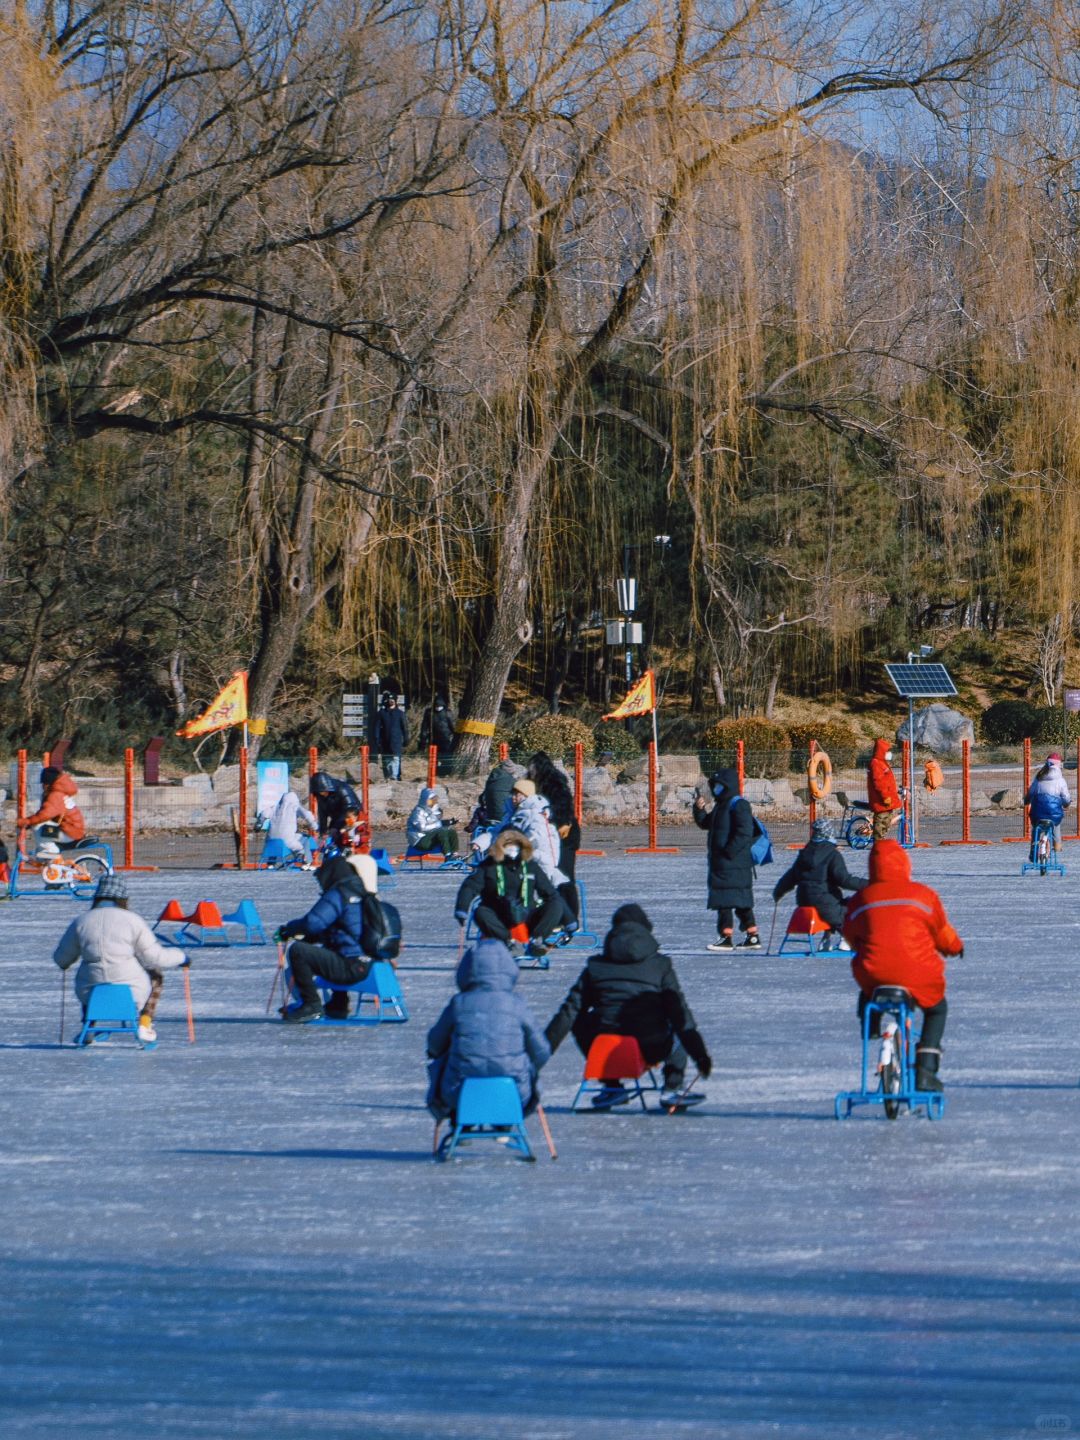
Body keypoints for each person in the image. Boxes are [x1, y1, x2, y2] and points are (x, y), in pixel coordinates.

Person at [544, 903, 713, 1107]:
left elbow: (568, 1013)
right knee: (675, 1021)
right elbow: (681, 1016)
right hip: (651, 1047)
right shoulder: (660, 965)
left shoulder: (596, 967)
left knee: (579, 1018)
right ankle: (672, 1087)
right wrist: (701, 1057)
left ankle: (611, 1085)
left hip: (605, 1050)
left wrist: (541, 1053)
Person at [841, 838, 963, 1093]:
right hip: (917, 973)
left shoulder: (862, 899)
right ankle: (926, 1070)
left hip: (874, 973)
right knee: (936, 1009)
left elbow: (851, 936)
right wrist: (954, 947)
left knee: (868, 989)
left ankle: (872, 1025)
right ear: (904, 864)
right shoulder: (922, 895)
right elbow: (942, 932)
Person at [425, 937, 551, 1122]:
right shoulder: (516, 1004)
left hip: (460, 1090)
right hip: (513, 1091)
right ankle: (505, 1121)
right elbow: (541, 1052)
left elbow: (435, 1044)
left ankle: (460, 1120)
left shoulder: (459, 1003)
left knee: (444, 1062)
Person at [52, 873, 188, 1043]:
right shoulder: (132, 921)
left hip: (90, 991)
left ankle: (88, 1027)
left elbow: (61, 959)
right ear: (123, 898)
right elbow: (155, 957)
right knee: (155, 974)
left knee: (88, 975)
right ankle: (144, 1024)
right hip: (132, 990)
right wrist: (181, 957)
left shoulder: (81, 921)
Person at [277, 852, 380, 1022]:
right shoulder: (361, 892)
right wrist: (308, 937)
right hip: (368, 963)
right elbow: (339, 932)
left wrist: (289, 929)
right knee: (331, 950)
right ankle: (338, 1004)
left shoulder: (340, 893)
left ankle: (311, 1005)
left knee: (299, 951)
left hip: (351, 966)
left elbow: (313, 923)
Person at [454, 828, 566, 959]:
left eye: (516, 845)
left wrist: (569, 921)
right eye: (508, 845)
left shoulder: (530, 866)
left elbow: (551, 894)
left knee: (555, 904)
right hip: (499, 916)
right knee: (480, 912)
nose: (512, 849)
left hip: (526, 912)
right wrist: (462, 908)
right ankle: (509, 943)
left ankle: (537, 941)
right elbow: (470, 886)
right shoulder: (488, 866)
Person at [692, 768, 760, 950]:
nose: (716, 790)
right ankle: (752, 935)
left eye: (719, 786)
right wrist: (699, 810)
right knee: (738, 900)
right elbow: (706, 823)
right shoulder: (720, 806)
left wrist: (728, 852)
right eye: (715, 786)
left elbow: (744, 832)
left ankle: (726, 937)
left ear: (728, 786)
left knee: (726, 900)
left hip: (733, 862)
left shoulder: (739, 805)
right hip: (724, 863)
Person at [772, 817, 864, 949]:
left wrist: (778, 892)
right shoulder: (832, 854)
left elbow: (790, 877)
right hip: (824, 903)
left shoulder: (804, 854)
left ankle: (826, 940)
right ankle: (846, 940)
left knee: (833, 900)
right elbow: (844, 879)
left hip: (803, 901)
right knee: (849, 907)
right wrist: (868, 884)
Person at [527, 751, 580, 921]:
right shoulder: (533, 784)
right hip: (546, 836)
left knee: (564, 876)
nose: (530, 771)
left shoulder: (555, 782)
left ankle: (570, 917)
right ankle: (551, 915)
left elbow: (564, 805)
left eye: (533, 768)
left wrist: (563, 823)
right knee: (546, 878)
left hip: (564, 836)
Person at [502, 778, 568, 896]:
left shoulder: (535, 813)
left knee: (538, 892)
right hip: (524, 858)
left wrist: (518, 846)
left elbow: (536, 835)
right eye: (513, 794)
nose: (513, 797)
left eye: (517, 794)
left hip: (539, 858)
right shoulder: (515, 814)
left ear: (526, 795)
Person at [21, 766, 86, 850]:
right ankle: (46, 859)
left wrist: (28, 821)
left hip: (70, 833)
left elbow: (45, 815)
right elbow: (43, 813)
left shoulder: (56, 795)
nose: (42, 786)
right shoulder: (60, 791)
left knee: (40, 831)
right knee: (41, 828)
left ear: (48, 783)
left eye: (43, 783)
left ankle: (52, 860)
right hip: (71, 830)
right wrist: (30, 821)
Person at [1026, 752, 1071, 859]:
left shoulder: (1039, 777)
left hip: (1037, 813)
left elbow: (1031, 793)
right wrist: (1066, 804)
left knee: (1036, 828)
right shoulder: (1061, 780)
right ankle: (1057, 846)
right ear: (1059, 765)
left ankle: (1033, 849)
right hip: (1054, 814)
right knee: (1056, 825)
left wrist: (1026, 801)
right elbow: (1066, 798)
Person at [266, 786, 317, 865]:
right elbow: (307, 814)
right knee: (305, 839)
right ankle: (307, 861)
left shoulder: (275, 808)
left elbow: (264, 813)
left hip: (270, 841)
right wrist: (315, 826)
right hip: (287, 841)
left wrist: (259, 823)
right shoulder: (294, 806)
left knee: (277, 838)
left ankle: (270, 863)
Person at [407, 787, 460, 858]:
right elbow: (422, 828)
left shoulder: (433, 810)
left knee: (451, 830)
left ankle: (455, 853)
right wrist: (441, 823)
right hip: (419, 840)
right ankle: (448, 855)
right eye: (431, 801)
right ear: (425, 800)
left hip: (429, 837)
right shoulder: (418, 812)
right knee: (442, 831)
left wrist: (448, 822)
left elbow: (436, 825)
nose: (433, 803)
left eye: (434, 800)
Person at [867, 739, 903, 840]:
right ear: (882, 751)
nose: (889, 753)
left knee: (887, 820)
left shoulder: (882, 763)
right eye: (887, 751)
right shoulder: (876, 763)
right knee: (881, 820)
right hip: (882, 800)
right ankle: (878, 841)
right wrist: (885, 796)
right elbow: (879, 783)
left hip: (887, 800)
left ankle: (881, 839)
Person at [309, 772, 362, 838]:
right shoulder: (320, 796)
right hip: (337, 818)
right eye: (319, 792)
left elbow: (350, 808)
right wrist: (323, 832)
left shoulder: (342, 789)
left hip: (353, 816)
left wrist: (337, 827)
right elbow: (322, 813)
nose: (322, 794)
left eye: (322, 791)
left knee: (340, 833)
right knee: (332, 834)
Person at [374, 695, 409, 781]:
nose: (391, 701)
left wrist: (406, 739)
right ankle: (388, 777)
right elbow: (377, 727)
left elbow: (405, 727)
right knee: (386, 760)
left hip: (396, 741)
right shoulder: (382, 713)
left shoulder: (400, 713)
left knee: (396, 759)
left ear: (396, 701)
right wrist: (377, 739)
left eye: (393, 699)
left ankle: (395, 777)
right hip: (385, 741)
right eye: (390, 699)